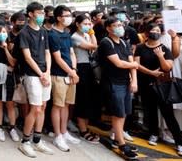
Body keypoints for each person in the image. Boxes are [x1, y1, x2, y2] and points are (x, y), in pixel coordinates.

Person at [134, 23, 182, 156]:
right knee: (150, 111)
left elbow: (167, 68)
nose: (155, 32)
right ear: (147, 32)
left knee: (168, 114)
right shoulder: (140, 47)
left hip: (163, 86)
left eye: (157, 30)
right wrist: (150, 72)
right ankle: (153, 134)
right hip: (146, 84)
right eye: (152, 30)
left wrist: (160, 56)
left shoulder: (164, 49)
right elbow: (136, 65)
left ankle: (179, 142)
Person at [98, 17, 139, 160]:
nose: (119, 28)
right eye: (115, 25)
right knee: (118, 114)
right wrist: (133, 65)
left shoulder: (124, 42)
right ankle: (122, 144)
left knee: (124, 112)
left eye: (120, 25)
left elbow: (130, 62)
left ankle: (118, 138)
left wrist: (134, 80)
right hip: (112, 83)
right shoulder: (106, 42)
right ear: (108, 28)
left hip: (126, 82)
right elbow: (119, 63)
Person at [17, 2, 54, 157]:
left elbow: (47, 53)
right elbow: (27, 57)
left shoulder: (43, 31)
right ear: (31, 14)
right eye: (38, 13)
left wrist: (47, 72)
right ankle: (25, 142)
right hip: (32, 75)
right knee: (35, 108)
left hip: (45, 74)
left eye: (43, 13)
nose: (42, 15)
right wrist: (41, 74)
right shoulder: (24, 33)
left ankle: (37, 140)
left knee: (43, 106)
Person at [48, 5, 81, 152]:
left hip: (70, 74)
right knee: (57, 105)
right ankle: (57, 136)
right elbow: (57, 58)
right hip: (58, 75)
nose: (69, 18)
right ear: (59, 17)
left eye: (70, 15)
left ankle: (64, 132)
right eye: (66, 15)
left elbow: (72, 53)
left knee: (67, 104)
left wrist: (73, 70)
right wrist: (71, 72)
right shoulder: (52, 35)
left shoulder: (67, 33)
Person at [70, 14, 100, 144]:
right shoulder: (75, 37)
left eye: (89, 24)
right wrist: (93, 33)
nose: (88, 26)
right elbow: (93, 46)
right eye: (85, 24)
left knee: (90, 99)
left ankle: (86, 127)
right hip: (81, 68)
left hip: (89, 68)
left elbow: (94, 46)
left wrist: (90, 33)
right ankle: (83, 130)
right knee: (82, 99)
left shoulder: (86, 36)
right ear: (77, 24)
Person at [0, 25, 20, 143]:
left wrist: (6, 49)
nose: (3, 34)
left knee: (10, 104)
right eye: (0, 32)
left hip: (9, 79)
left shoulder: (12, 47)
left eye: (5, 32)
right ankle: (0, 128)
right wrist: (5, 68)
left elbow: (13, 63)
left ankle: (12, 128)